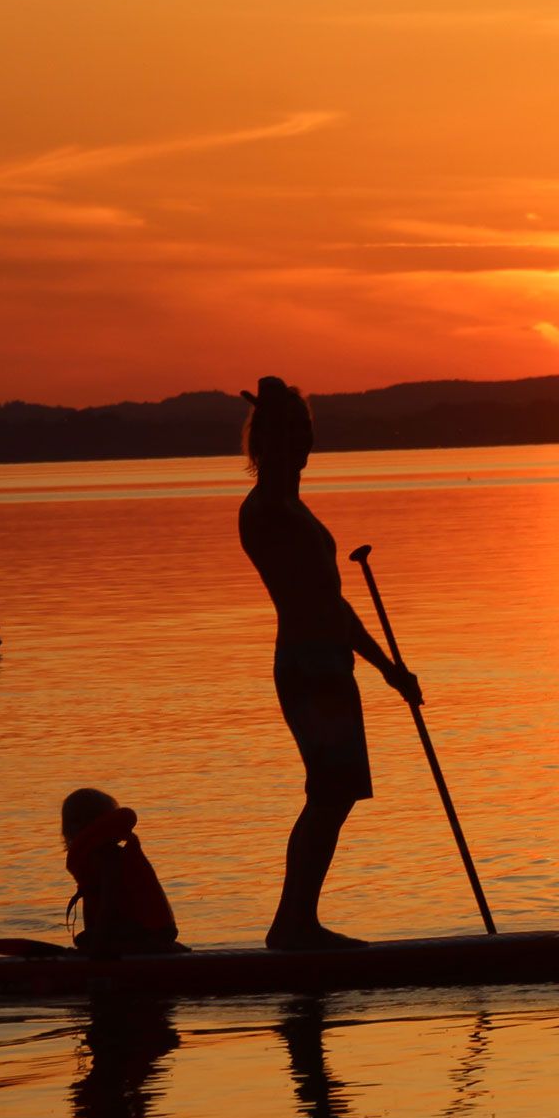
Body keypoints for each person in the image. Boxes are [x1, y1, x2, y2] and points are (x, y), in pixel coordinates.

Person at [237, 377, 419, 950]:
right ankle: (293, 925)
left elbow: (335, 604)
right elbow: (317, 605)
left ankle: (297, 921)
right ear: (270, 442)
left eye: (308, 433)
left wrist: (387, 669)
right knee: (329, 792)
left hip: (328, 664)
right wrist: (386, 667)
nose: (306, 446)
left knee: (335, 794)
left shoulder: (291, 505)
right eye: (294, 435)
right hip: (309, 666)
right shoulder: (269, 511)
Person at [60, 787, 186, 957]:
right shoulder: (95, 855)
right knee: (85, 939)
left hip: (147, 931)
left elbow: (108, 901)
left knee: (87, 939)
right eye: (73, 821)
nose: (78, 827)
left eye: (82, 820)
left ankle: (152, 947)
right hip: (145, 930)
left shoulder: (107, 857)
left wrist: (97, 946)